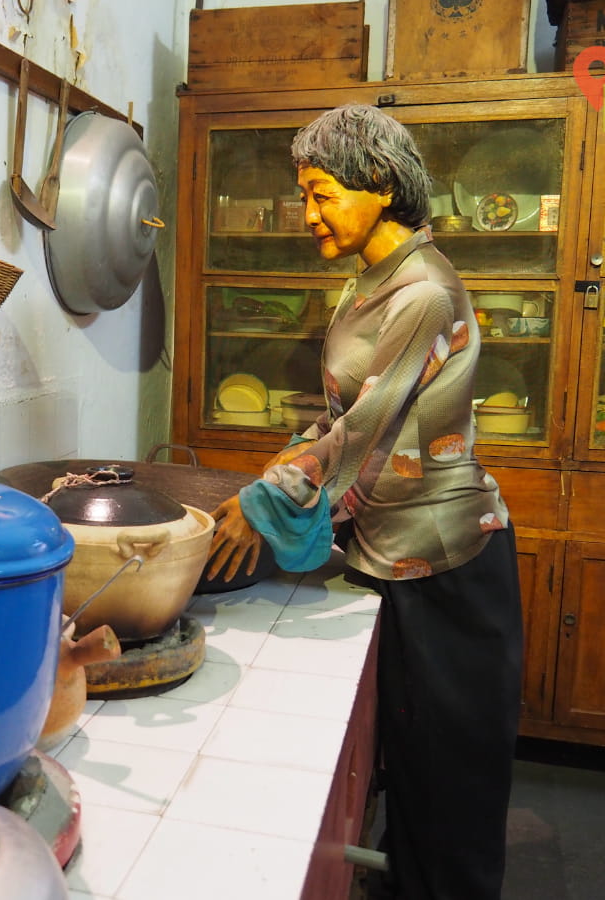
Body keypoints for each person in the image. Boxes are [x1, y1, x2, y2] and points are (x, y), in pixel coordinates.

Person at [206, 104, 523, 900]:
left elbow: (366, 430)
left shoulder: (423, 292)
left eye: (320, 193)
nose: (306, 214)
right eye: (303, 195)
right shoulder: (371, 282)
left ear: (378, 184)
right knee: (407, 766)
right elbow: (343, 414)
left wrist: (266, 500)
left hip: (449, 564)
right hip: (394, 552)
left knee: (451, 784)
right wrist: (271, 473)